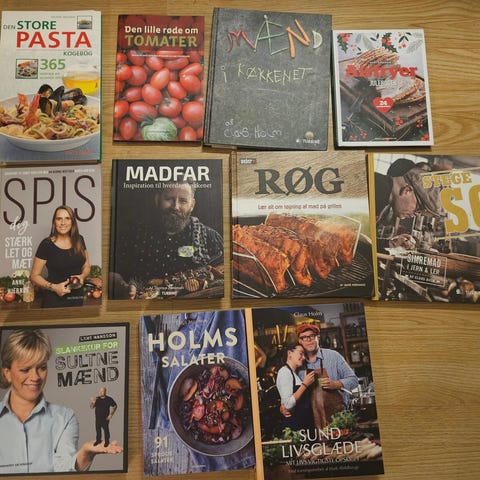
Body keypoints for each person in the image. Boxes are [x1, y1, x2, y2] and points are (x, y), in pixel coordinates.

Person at [0, 329, 122, 475]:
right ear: (7, 373)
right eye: (25, 369)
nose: (35, 377)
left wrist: (85, 454)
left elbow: (63, 468)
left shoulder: (65, 418)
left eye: (42, 367)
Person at [110, 178, 224, 298]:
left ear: (192, 205)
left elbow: (226, 274)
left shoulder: (211, 237)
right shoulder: (134, 235)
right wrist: (124, 287)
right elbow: (113, 271)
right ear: (157, 199)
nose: (175, 207)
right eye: (169, 199)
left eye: (183, 201)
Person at [281, 323, 358, 422]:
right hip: (310, 419)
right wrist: (284, 406)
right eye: (304, 337)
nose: (308, 340)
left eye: (312, 336)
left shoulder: (334, 356)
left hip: (338, 417)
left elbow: (354, 380)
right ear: (300, 341)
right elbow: (289, 394)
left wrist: (336, 384)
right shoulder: (297, 364)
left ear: (318, 337)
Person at [30, 205, 90, 308]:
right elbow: (34, 276)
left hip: (77, 298)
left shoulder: (79, 240)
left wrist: (82, 276)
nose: (63, 222)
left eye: (67, 218)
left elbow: (86, 266)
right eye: (59, 219)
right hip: (54, 300)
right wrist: (54, 287)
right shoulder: (46, 244)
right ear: (54, 222)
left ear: (72, 222)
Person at [374, 157, 445, 225]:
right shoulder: (374, 192)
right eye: (417, 209)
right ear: (407, 190)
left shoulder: (382, 196)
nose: (416, 215)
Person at [275, 342, 317, 431]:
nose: (304, 357)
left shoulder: (294, 374)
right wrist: (305, 384)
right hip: (295, 427)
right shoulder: (284, 372)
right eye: (301, 353)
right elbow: (288, 404)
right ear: (289, 353)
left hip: (303, 425)